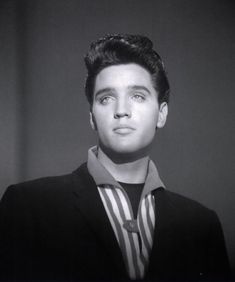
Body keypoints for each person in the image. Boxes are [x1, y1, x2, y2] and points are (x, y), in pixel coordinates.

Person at [0, 34, 230, 281]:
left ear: (161, 114)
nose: (121, 111)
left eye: (138, 96)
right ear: (92, 117)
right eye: (106, 98)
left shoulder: (201, 225)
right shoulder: (27, 207)